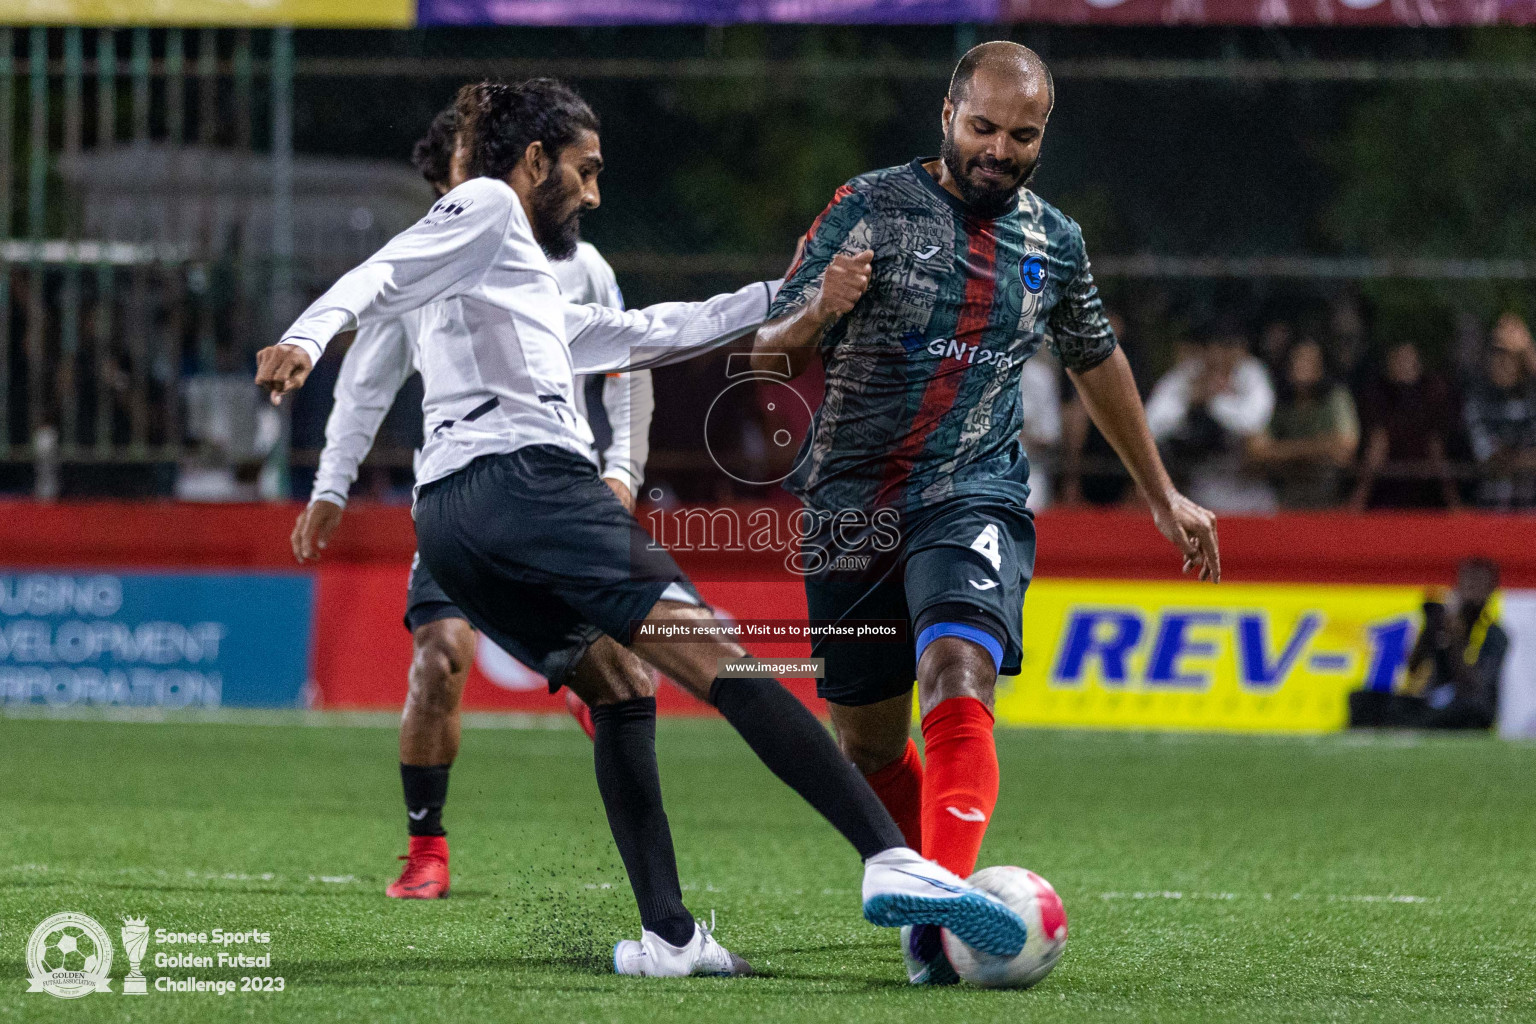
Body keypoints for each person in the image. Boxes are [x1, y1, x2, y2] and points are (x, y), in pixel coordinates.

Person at [257, 77, 1027, 980]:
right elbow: (377, 273)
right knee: (726, 663)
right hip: (529, 484)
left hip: (453, 524)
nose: (592, 193)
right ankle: (890, 859)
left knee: (621, 683)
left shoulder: (517, 284)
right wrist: (307, 338)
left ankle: (666, 936)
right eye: (583, 171)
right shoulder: (487, 203)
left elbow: (651, 331)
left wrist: (792, 288)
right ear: (534, 160)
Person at [751, 42, 1221, 986]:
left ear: (1043, 136)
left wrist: (1160, 491)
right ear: (947, 116)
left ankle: (939, 913)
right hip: (852, 505)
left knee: (958, 668)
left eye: (1023, 135)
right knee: (867, 738)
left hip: (975, 490)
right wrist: (814, 315)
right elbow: (763, 354)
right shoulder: (869, 206)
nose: (999, 151)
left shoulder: (1055, 239)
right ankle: (933, 891)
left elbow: (1097, 358)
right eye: (984, 129)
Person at [288, 105, 653, 901]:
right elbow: (367, 381)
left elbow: (630, 362)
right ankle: (427, 848)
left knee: (625, 675)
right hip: (460, 499)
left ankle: (657, 884)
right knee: (438, 659)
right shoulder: (423, 261)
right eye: (464, 158)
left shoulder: (580, 264)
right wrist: (329, 485)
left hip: (556, 494)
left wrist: (623, 470)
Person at [1349, 559, 1507, 731]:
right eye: (1467, 581)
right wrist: (1430, 627)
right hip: (1434, 703)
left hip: (1467, 707)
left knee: (1465, 711)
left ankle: (1411, 726)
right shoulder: (1443, 621)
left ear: (1491, 590)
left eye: (1478, 583)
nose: (1471, 588)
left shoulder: (1494, 635)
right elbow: (1413, 668)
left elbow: (1474, 688)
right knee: (1362, 699)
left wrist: (1455, 639)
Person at [1144, 320, 1276, 513]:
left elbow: (1253, 422)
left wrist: (1216, 400)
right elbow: (1151, 425)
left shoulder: (1251, 372)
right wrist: (1189, 400)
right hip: (1199, 482)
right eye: (1214, 348)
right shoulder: (1187, 374)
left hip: (1249, 487)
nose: (1220, 356)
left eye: (1229, 348)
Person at [1246, 337, 1359, 509]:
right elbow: (1257, 449)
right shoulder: (1279, 400)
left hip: (1329, 493)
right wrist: (1317, 449)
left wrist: (1281, 451)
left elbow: (1345, 445)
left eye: (1309, 361)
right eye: (1297, 359)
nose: (1301, 366)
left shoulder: (1335, 397)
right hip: (1287, 493)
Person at [1350, 341, 1460, 510]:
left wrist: (1453, 502)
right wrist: (1359, 497)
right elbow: (1377, 446)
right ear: (1389, 364)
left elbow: (1436, 448)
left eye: (1409, 359)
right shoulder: (1377, 396)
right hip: (1385, 496)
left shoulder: (1432, 394)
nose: (1405, 365)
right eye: (1399, 360)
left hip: (1426, 496)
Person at [1464, 313, 1536, 509]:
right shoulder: (1477, 401)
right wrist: (1525, 459)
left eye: (1510, 356)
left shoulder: (1531, 396)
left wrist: (1528, 347)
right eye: (1497, 354)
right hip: (1491, 512)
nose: (1503, 362)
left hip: (1530, 510)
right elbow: (1488, 458)